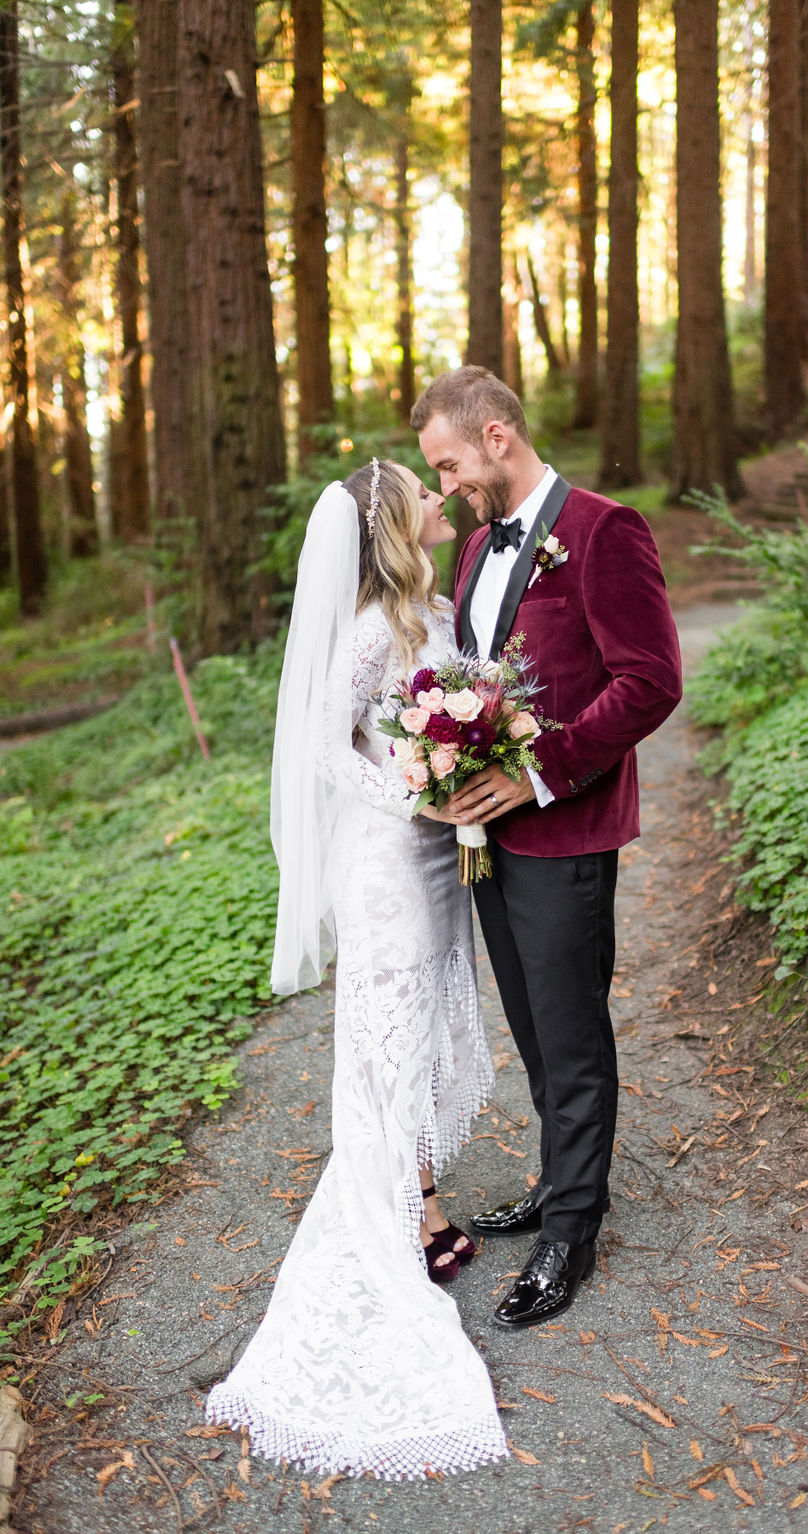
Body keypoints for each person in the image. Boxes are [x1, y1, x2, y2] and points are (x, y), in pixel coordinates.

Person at [204, 459, 509, 1480]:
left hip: (437, 855)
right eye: (424, 488)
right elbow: (323, 747)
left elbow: (455, 709)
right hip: (387, 861)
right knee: (386, 1037)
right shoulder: (376, 624)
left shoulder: (434, 603)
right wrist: (412, 795)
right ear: (391, 521)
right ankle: (390, 1212)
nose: (438, 495)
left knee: (426, 1028)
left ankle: (419, 1201)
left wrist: (462, 763)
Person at [412, 368, 683, 1330]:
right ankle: (559, 1178)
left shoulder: (607, 531)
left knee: (570, 1032)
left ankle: (574, 1225)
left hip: (564, 823)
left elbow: (650, 683)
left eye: (447, 465)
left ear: (495, 435)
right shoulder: (478, 546)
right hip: (488, 834)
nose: (445, 489)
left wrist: (536, 773)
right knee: (530, 1021)